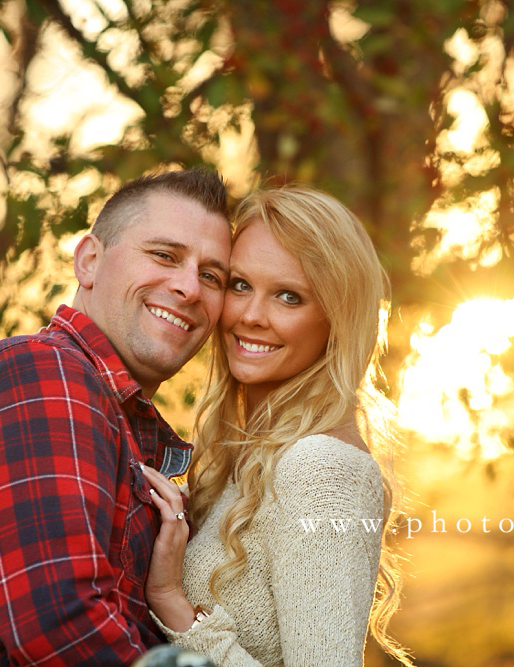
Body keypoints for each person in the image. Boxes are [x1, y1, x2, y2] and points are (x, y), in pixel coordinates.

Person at [0, 167, 231, 666]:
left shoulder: (120, 422)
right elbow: (61, 622)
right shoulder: (41, 372)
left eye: (211, 276)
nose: (190, 288)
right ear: (89, 261)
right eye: (164, 255)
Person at [139, 186, 411, 666]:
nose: (250, 316)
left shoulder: (320, 468)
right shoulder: (251, 458)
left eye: (289, 297)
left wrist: (174, 603)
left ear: (336, 319)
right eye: (240, 285)